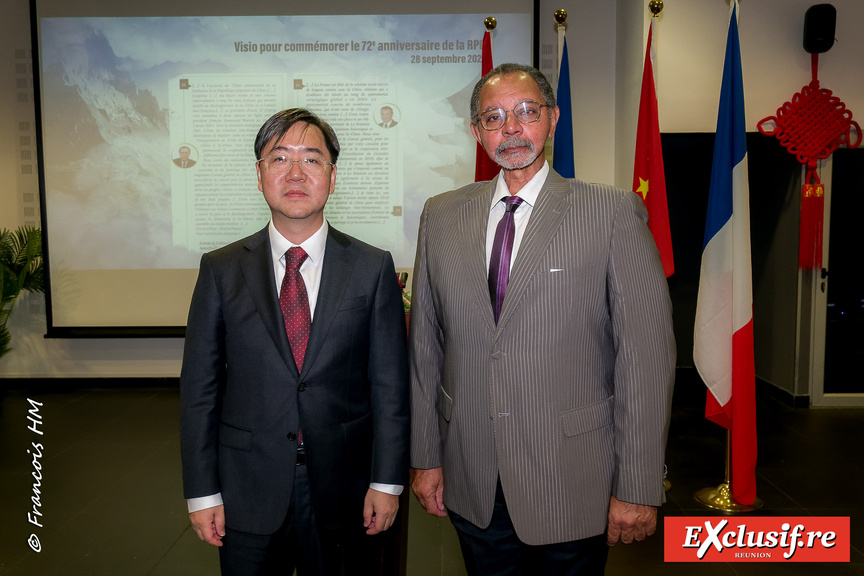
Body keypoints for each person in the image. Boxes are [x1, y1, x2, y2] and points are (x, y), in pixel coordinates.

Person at [409, 63, 675, 575]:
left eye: (526, 112)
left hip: (574, 481)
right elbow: (425, 348)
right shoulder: (440, 215)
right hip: (472, 478)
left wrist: (638, 484)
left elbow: (646, 360)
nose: (511, 128)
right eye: (493, 117)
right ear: (476, 132)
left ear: (552, 119)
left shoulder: (611, 213)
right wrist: (425, 457)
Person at [180, 108, 409, 575]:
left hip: (345, 488)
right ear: (259, 174)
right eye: (279, 158)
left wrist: (387, 483)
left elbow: (390, 389)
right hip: (246, 488)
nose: (296, 173)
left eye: (312, 159)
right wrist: (203, 492)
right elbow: (199, 393)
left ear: (333, 174)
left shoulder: (372, 268)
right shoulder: (221, 270)